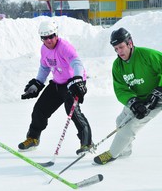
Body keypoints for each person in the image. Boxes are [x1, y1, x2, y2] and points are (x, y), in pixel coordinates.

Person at [18, 19, 93, 155]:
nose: (49, 40)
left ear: (56, 35)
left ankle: (87, 143)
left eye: (51, 36)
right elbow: (44, 67)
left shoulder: (64, 46)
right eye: (45, 38)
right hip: (57, 83)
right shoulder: (44, 49)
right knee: (39, 109)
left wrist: (78, 79)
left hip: (72, 83)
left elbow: (77, 63)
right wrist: (38, 83)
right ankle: (33, 139)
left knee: (73, 111)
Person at [94, 27, 162, 165]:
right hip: (139, 99)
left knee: (129, 127)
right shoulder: (117, 65)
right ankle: (125, 151)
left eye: (121, 47)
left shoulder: (147, 55)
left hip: (157, 99)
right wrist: (133, 102)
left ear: (130, 43)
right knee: (120, 121)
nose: (119, 52)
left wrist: (159, 90)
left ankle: (112, 153)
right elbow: (121, 89)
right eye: (116, 49)